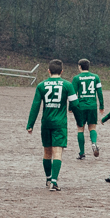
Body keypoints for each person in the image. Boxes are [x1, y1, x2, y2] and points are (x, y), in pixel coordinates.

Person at [26, 60, 76, 191]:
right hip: (60, 123)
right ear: (62, 71)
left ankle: (48, 178)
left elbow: (35, 106)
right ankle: (54, 181)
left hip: (46, 123)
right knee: (57, 152)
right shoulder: (67, 85)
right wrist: (79, 119)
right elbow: (75, 104)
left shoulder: (41, 86)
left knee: (47, 152)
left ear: (49, 71)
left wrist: (30, 124)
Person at [70, 59, 104, 160]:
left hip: (81, 106)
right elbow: (100, 92)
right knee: (92, 128)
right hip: (92, 106)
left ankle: (82, 153)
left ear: (80, 66)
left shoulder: (76, 78)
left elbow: (73, 94)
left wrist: (70, 107)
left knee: (80, 128)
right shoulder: (96, 77)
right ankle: (94, 143)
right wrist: (101, 106)